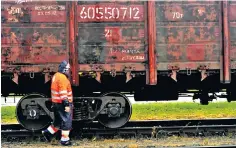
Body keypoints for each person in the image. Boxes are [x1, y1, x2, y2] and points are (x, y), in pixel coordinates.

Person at [42, 60, 73, 146]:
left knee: (58, 122)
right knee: (66, 122)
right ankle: (65, 140)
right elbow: (63, 92)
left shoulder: (56, 76)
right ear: (64, 69)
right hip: (62, 103)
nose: (68, 71)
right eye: (68, 70)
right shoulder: (62, 78)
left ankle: (47, 133)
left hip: (56, 103)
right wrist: (66, 104)